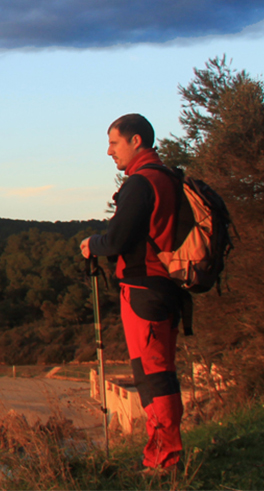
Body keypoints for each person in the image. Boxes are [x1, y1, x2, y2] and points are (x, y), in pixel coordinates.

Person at [80, 113, 184, 471]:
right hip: (167, 287)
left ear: (136, 141)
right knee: (162, 372)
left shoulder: (142, 183)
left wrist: (92, 243)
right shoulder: (169, 177)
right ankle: (163, 453)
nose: (109, 152)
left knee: (152, 374)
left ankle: (164, 458)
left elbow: (117, 239)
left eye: (113, 143)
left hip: (144, 289)